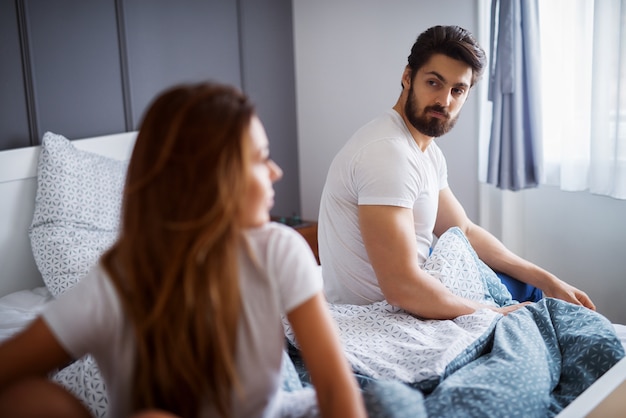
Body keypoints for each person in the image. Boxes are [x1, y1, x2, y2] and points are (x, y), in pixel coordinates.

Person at [0, 82, 367, 418]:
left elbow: (336, 386)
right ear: (207, 178)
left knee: (387, 400)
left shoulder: (279, 250)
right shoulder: (116, 285)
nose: (276, 172)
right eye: (259, 158)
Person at [318, 25, 595, 320]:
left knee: (531, 287)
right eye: (434, 83)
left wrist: (548, 280)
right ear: (408, 77)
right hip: (382, 316)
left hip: (407, 297)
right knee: (530, 304)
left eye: (457, 90)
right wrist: (495, 312)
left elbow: (463, 230)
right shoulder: (387, 153)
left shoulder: (425, 151)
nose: (444, 101)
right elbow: (400, 287)